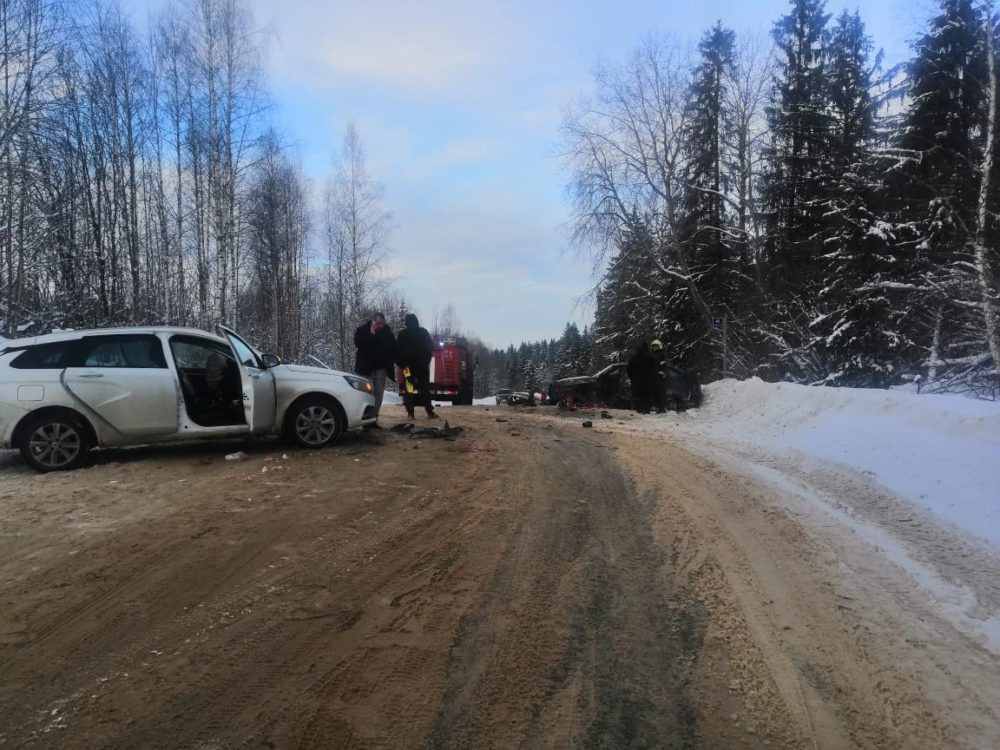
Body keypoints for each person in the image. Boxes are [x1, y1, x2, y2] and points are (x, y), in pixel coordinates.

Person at [354, 312, 396, 428]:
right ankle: (364, 421)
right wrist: (371, 334)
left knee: (378, 396)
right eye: (378, 323)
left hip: (381, 370)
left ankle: (373, 420)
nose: (380, 326)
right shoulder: (362, 330)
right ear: (372, 321)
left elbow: (393, 350)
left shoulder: (388, 333)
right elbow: (359, 344)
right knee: (366, 396)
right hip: (365, 370)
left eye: (382, 324)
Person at [395, 313, 438, 420]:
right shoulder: (423, 332)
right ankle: (429, 412)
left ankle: (410, 414)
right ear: (416, 321)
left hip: (407, 368)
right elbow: (429, 347)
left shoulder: (402, 334)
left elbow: (397, 351)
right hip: (421, 367)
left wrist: (402, 365)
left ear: (406, 322)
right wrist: (426, 361)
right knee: (424, 389)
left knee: (409, 390)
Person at [626, 342, 657, 414]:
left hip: (637, 382)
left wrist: (632, 378)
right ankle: (646, 410)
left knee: (639, 396)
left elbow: (629, 370)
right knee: (647, 396)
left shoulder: (634, 358)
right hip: (648, 382)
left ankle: (640, 409)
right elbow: (655, 369)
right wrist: (653, 379)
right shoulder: (650, 357)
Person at [650, 339, 668, 413]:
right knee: (653, 392)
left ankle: (662, 408)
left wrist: (662, 372)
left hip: (659, 377)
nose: (655, 348)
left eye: (656, 346)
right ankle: (655, 407)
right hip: (652, 376)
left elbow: (663, 365)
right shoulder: (651, 354)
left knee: (660, 393)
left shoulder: (661, 354)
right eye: (653, 346)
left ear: (659, 347)